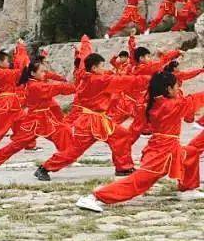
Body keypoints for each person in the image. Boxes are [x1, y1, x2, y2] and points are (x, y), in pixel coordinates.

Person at [76, 69, 204, 212]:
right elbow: (195, 99)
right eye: (176, 86)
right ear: (168, 89)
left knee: (191, 153)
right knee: (137, 183)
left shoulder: (156, 102)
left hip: (167, 147)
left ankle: (188, 189)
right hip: (162, 152)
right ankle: (95, 197)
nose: (179, 89)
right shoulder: (171, 106)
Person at [35, 53, 151, 181]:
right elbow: (124, 81)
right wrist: (149, 79)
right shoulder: (97, 80)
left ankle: (123, 167)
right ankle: (45, 168)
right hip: (89, 121)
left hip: (97, 119)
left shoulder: (88, 78)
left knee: (121, 135)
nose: (104, 69)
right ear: (94, 68)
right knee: (74, 150)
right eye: (102, 66)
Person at [0, 60, 75, 169]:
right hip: (35, 121)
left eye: (44, 71)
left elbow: (56, 87)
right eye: (42, 71)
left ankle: (65, 158)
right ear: (32, 73)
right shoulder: (35, 86)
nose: (44, 74)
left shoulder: (35, 83)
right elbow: (58, 88)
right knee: (17, 145)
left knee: (64, 130)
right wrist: (76, 87)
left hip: (46, 118)